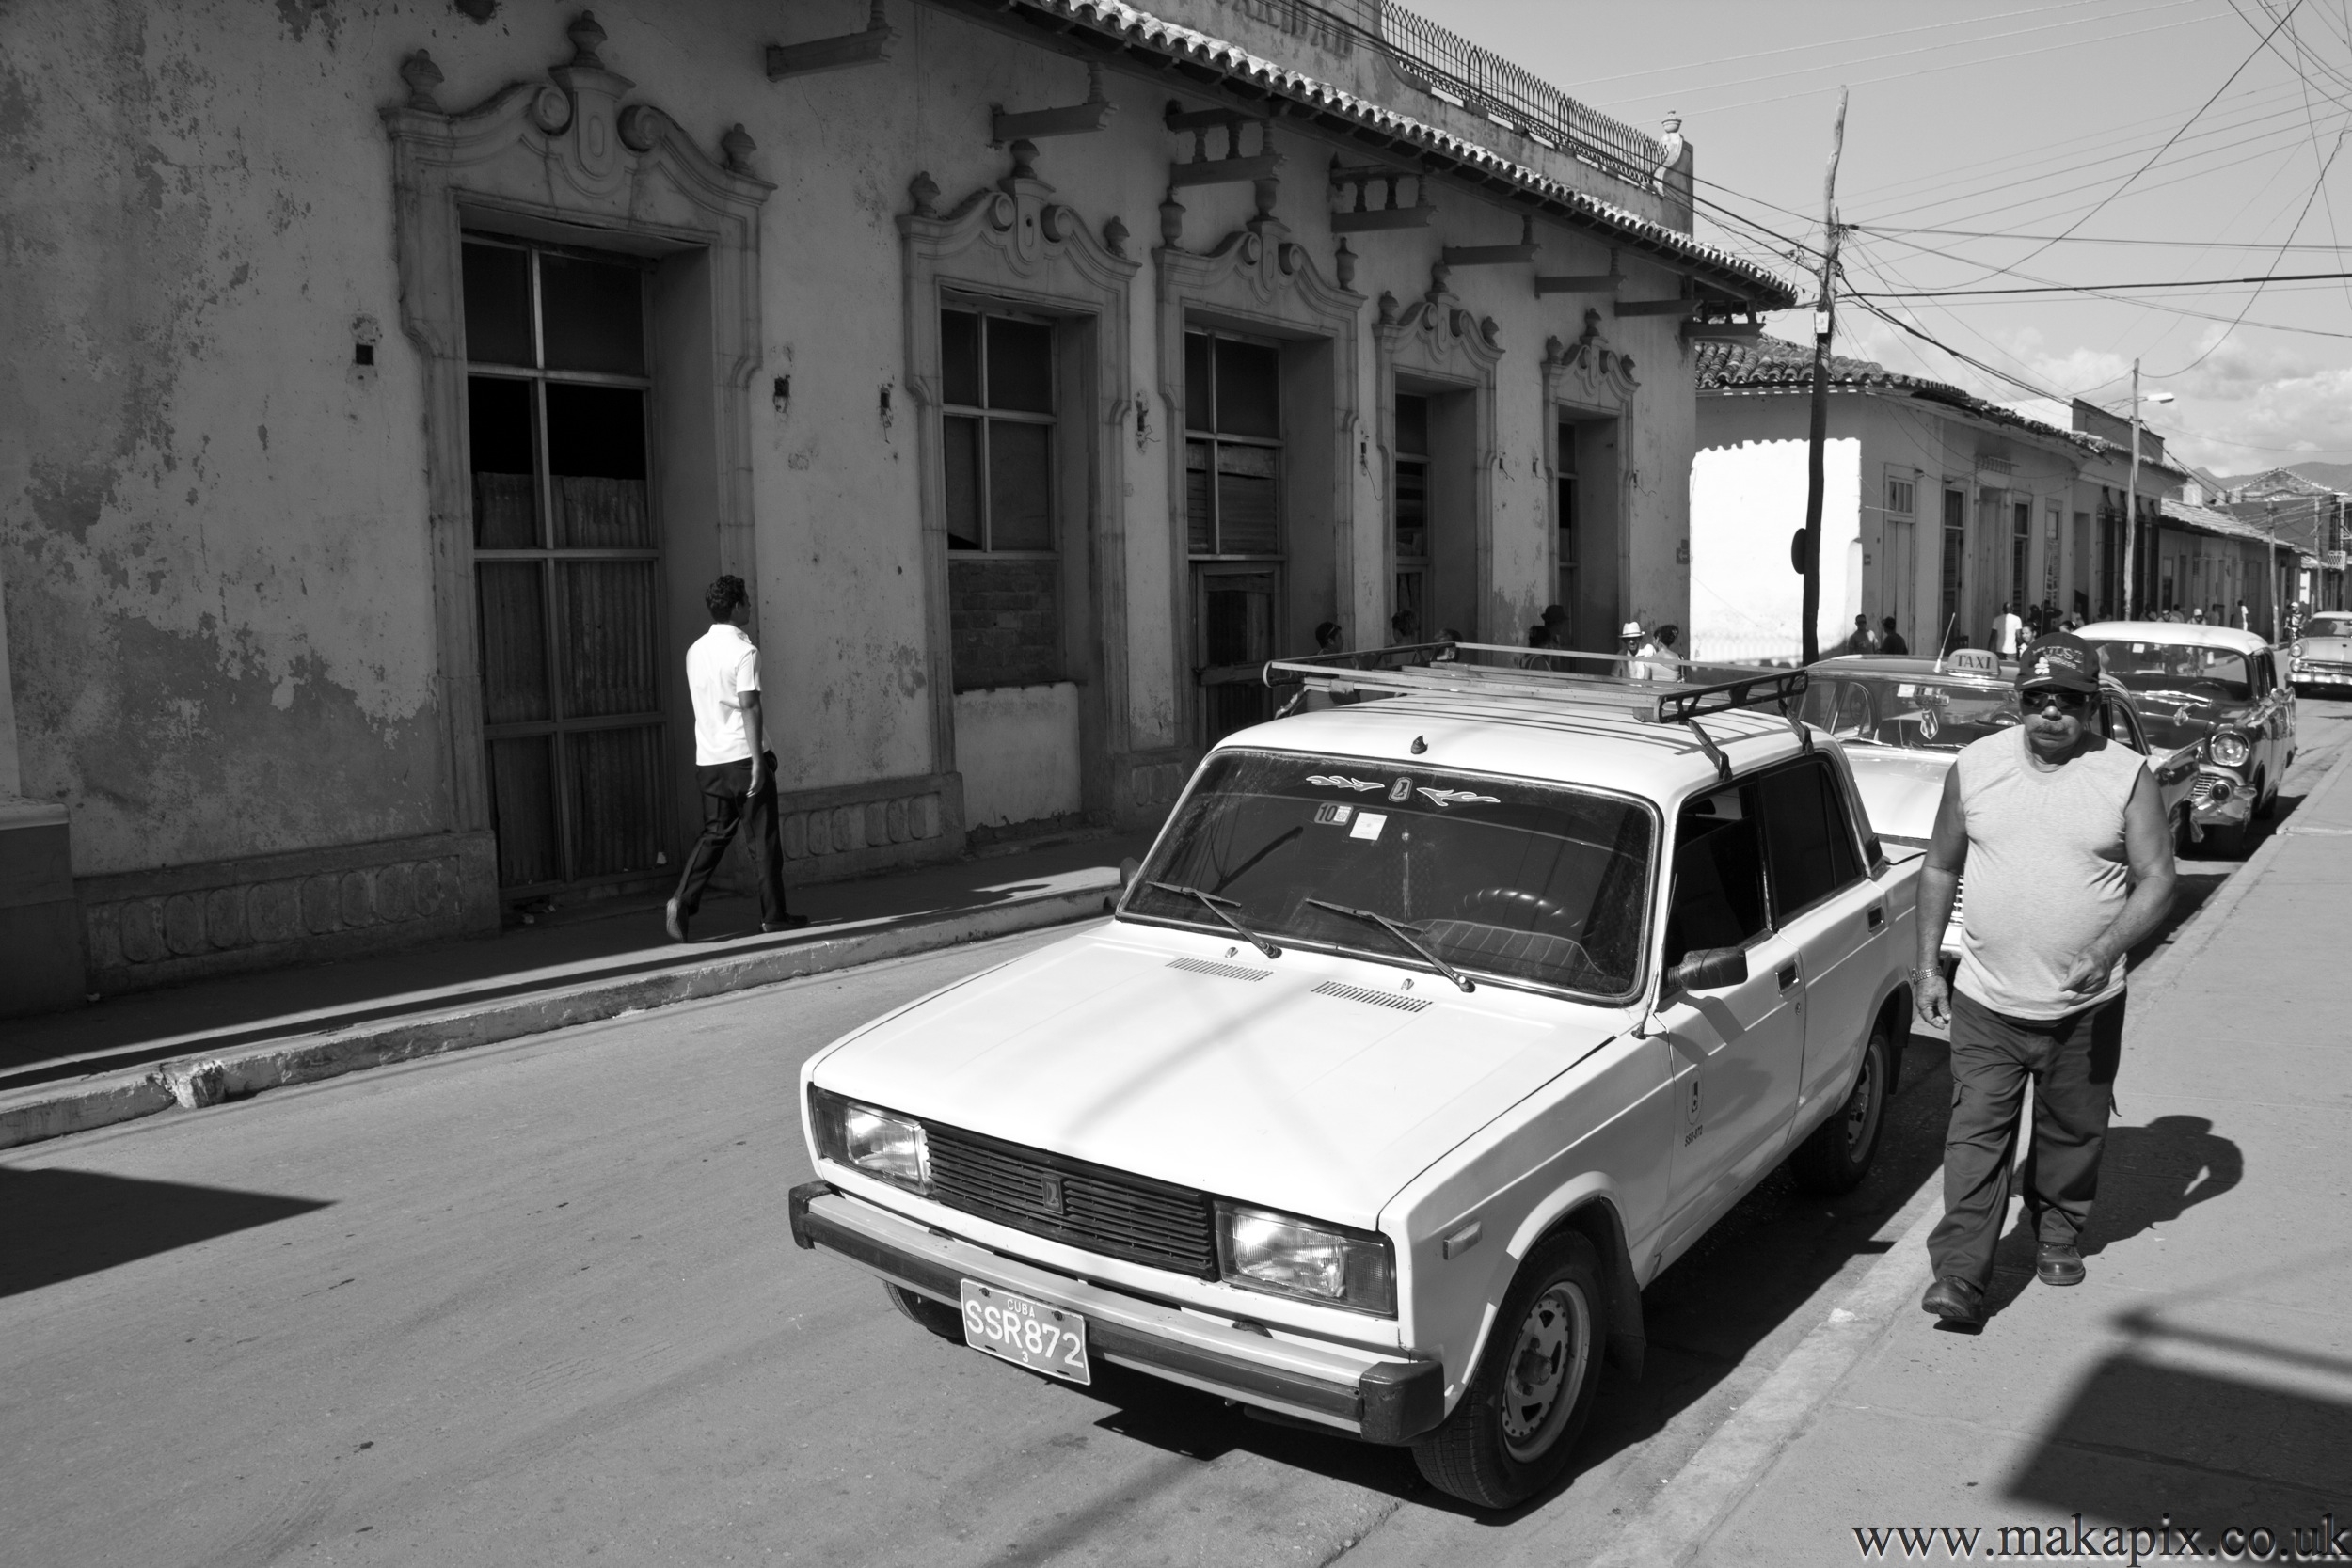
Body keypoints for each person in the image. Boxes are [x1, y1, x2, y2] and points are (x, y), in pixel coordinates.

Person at [1914, 632, 2178, 1327]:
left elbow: (2158, 878)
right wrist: (1925, 968)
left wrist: (2109, 945)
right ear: (2018, 701)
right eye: (2037, 698)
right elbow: (1939, 866)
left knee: (2071, 1130)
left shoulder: (2124, 774)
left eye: (2067, 699)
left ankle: (2057, 1231)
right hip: (1986, 999)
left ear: (2090, 704)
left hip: (2084, 1005)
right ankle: (1962, 1277)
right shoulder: (1974, 767)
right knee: (1974, 1140)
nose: (2051, 712)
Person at [667, 575, 807, 942]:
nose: (749, 605)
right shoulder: (745, 652)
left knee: (714, 833)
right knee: (763, 839)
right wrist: (759, 763)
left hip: (709, 758)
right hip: (744, 758)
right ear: (737, 607)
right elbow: (749, 706)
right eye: (746, 600)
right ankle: (773, 915)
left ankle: (682, 900)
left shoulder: (695, 651)